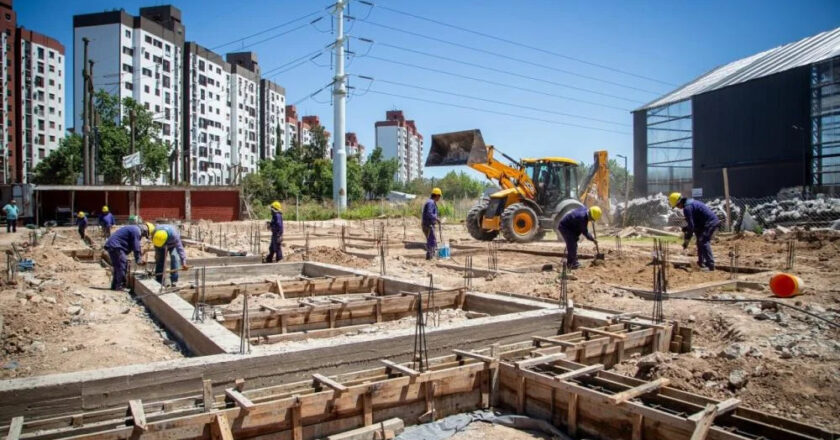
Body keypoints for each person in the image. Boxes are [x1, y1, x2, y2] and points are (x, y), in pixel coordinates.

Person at [669, 192, 721, 271]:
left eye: (677, 206)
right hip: (703, 223)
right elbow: (692, 224)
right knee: (699, 241)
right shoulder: (690, 203)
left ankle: (710, 265)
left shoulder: (687, 208)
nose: (678, 208)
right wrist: (687, 228)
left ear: (679, 202)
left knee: (703, 241)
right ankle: (701, 263)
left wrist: (687, 240)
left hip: (710, 222)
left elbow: (691, 226)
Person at [104, 223, 152, 290]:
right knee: (122, 266)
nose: (143, 236)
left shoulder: (133, 229)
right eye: (145, 235)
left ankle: (115, 286)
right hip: (116, 246)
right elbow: (136, 246)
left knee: (118, 267)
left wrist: (140, 255)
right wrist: (138, 259)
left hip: (114, 246)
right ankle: (120, 286)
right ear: (145, 230)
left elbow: (134, 245)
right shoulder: (136, 231)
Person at [422, 188, 443, 260]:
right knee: (432, 241)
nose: (439, 198)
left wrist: (436, 219)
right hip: (428, 225)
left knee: (431, 240)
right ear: (436, 195)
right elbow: (429, 213)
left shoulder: (431, 202)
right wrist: (436, 219)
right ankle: (430, 257)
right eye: (439, 196)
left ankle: (430, 256)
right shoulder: (430, 202)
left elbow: (431, 214)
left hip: (428, 224)